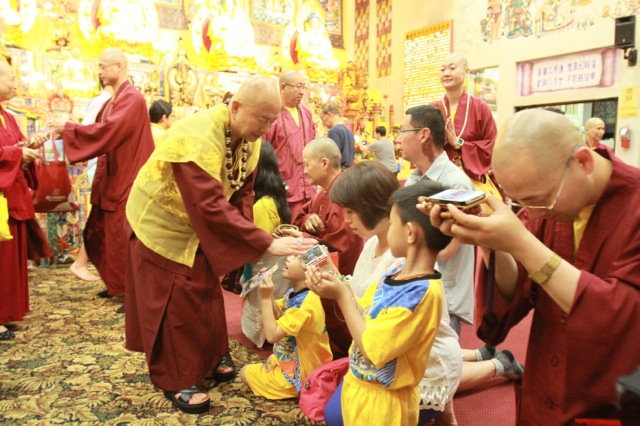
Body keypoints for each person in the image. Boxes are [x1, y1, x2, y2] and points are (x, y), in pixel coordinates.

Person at [428, 108, 640, 424]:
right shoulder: (547, 203)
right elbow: (517, 294)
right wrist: (490, 242)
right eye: (520, 203)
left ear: (583, 161)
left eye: (540, 200)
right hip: (543, 391)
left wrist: (521, 243)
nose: (534, 214)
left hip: (609, 399)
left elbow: (624, 320)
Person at [123, 75, 316, 414]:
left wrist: (253, 234)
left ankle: (211, 357)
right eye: (262, 119)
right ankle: (178, 377)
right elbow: (208, 205)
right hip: (162, 226)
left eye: (272, 121)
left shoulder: (250, 140)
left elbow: (242, 194)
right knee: (176, 302)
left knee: (204, 293)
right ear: (236, 107)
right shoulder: (197, 137)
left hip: (197, 227)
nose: (266, 129)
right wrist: (261, 244)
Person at [308, 180, 451, 426]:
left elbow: (372, 350)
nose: (388, 229)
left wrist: (340, 295)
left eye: (392, 223)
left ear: (410, 233)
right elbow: (365, 309)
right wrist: (336, 281)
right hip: (364, 387)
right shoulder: (397, 271)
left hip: (383, 403)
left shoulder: (420, 293)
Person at [47, 47, 155, 302]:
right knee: (105, 232)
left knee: (123, 236)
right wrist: (69, 130)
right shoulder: (113, 99)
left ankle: (131, 294)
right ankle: (117, 285)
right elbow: (101, 130)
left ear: (119, 65)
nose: (99, 72)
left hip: (128, 176)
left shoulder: (132, 98)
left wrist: (70, 128)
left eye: (103, 67)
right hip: (112, 175)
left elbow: (109, 131)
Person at [400, 105, 475, 337]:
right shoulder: (414, 180)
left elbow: (447, 250)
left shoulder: (454, 184)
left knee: (440, 359)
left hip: (443, 294)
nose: (397, 139)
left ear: (424, 135)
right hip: (415, 288)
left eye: (402, 131)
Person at [289, 137, 363, 358]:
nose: (304, 171)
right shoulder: (323, 192)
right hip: (321, 270)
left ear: (324, 163)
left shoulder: (341, 193)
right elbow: (300, 216)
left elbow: (339, 248)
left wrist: (301, 237)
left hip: (339, 273)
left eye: (307, 164)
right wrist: (307, 219)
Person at [0, 60, 52, 340]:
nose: (15, 83)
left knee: (11, 261)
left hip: (13, 195)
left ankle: (7, 313)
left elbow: (14, 145)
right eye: (10, 78)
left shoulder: (6, 116)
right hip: (1, 198)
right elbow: (8, 152)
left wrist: (31, 143)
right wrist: (18, 154)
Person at [241, 255, 332, 400]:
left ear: (310, 270)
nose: (288, 258)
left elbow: (272, 336)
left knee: (245, 372)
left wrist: (265, 298)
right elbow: (278, 314)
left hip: (303, 372)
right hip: (301, 358)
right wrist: (269, 292)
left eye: (297, 258)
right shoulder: (296, 294)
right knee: (271, 359)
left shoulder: (304, 304)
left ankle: (299, 388)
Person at [241, 142, 294, 347]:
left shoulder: (262, 206)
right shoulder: (275, 198)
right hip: (278, 271)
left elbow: (257, 249)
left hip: (267, 271)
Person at [432, 52, 501, 199]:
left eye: (452, 68)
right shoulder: (432, 109)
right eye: (442, 69)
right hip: (437, 180)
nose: (446, 73)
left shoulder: (480, 107)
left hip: (471, 179)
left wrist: (459, 143)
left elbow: (492, 146)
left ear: (466, 72)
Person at [69, 82, 113, 283]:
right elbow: (87, 132)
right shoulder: (101, 101)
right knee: (101, 217)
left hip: (109, 166)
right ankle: (81, 262)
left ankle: (88, 263)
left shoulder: (116, 101)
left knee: (104, 219)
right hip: (102, 166)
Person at [263, 70, 317, 219]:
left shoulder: (306, 112)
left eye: (304, 87)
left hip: (308, 186)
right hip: (283, 188)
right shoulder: (273, 113)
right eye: (298, 86)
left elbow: (313, 142)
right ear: (283, 87)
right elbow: (263, 153)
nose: (302, 92)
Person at [321, 103, 355, 169]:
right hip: (349, 170)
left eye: (322, 118)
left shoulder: (334, 131)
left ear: (329, 114)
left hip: (338, 170)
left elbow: (332, 156)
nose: (323, 121)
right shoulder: (349, 131)